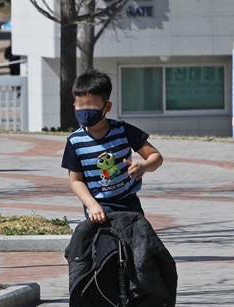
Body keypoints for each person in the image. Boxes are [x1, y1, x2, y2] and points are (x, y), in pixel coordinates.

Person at [61, 68, 163, 224]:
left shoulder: (123, 130)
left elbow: (156, 157)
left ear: (107, 107)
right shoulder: (75, 141)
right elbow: (76, 181)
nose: (85, 111)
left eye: (91, 105)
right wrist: (92, 206)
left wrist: (144, 166)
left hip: (128, 201)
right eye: (80, 105)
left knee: (137, 241)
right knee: (105, 244)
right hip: (99, 205)